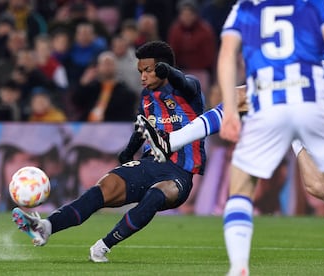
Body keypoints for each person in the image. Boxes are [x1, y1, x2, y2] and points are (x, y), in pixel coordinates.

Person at [139, 0, 324, 250]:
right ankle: (171, 142)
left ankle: (171, 141)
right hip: (291, 86)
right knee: (315, 183)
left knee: (242, 103)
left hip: (321, 90)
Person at [11, 40, 206, 263]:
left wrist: (169, 72)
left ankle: (103, 246)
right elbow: (142, 127)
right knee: (102, 188)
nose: (142, 76)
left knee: (155, 195)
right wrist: (128, 152)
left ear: (162, 68)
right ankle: (45, 227)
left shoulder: (188, 89)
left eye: (148, 71)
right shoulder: (146, 96)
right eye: (140, 71)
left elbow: (186, 83)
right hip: (150, 164)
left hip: (179, 172)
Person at [218, 0, 324, 274]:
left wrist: (231, 112)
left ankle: (239, 266)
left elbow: (228, 54)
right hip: (315, 96)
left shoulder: (249, 7)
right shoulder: (322, 6)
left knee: (242, 182)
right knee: (315, 183)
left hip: (290, 95)